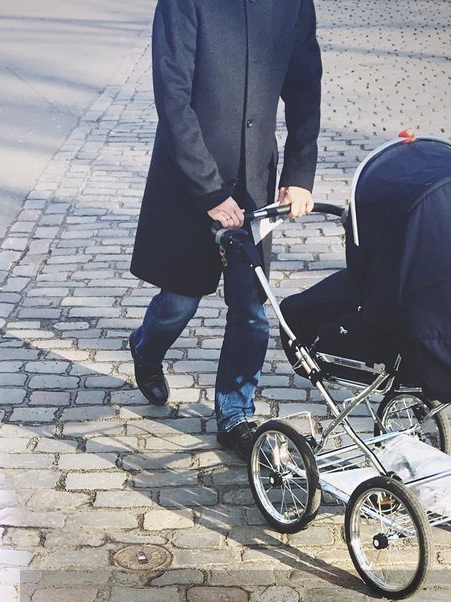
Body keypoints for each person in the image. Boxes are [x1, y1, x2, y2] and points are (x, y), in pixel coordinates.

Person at [129, 0, 322, 457]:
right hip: (190, 178)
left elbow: (304, 84)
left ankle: (235, 414)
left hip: (255, 178)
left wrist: (298, 173)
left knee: (251, 305)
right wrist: (210, 192)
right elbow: (172, 98)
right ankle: (146, 347)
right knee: (180, 300)